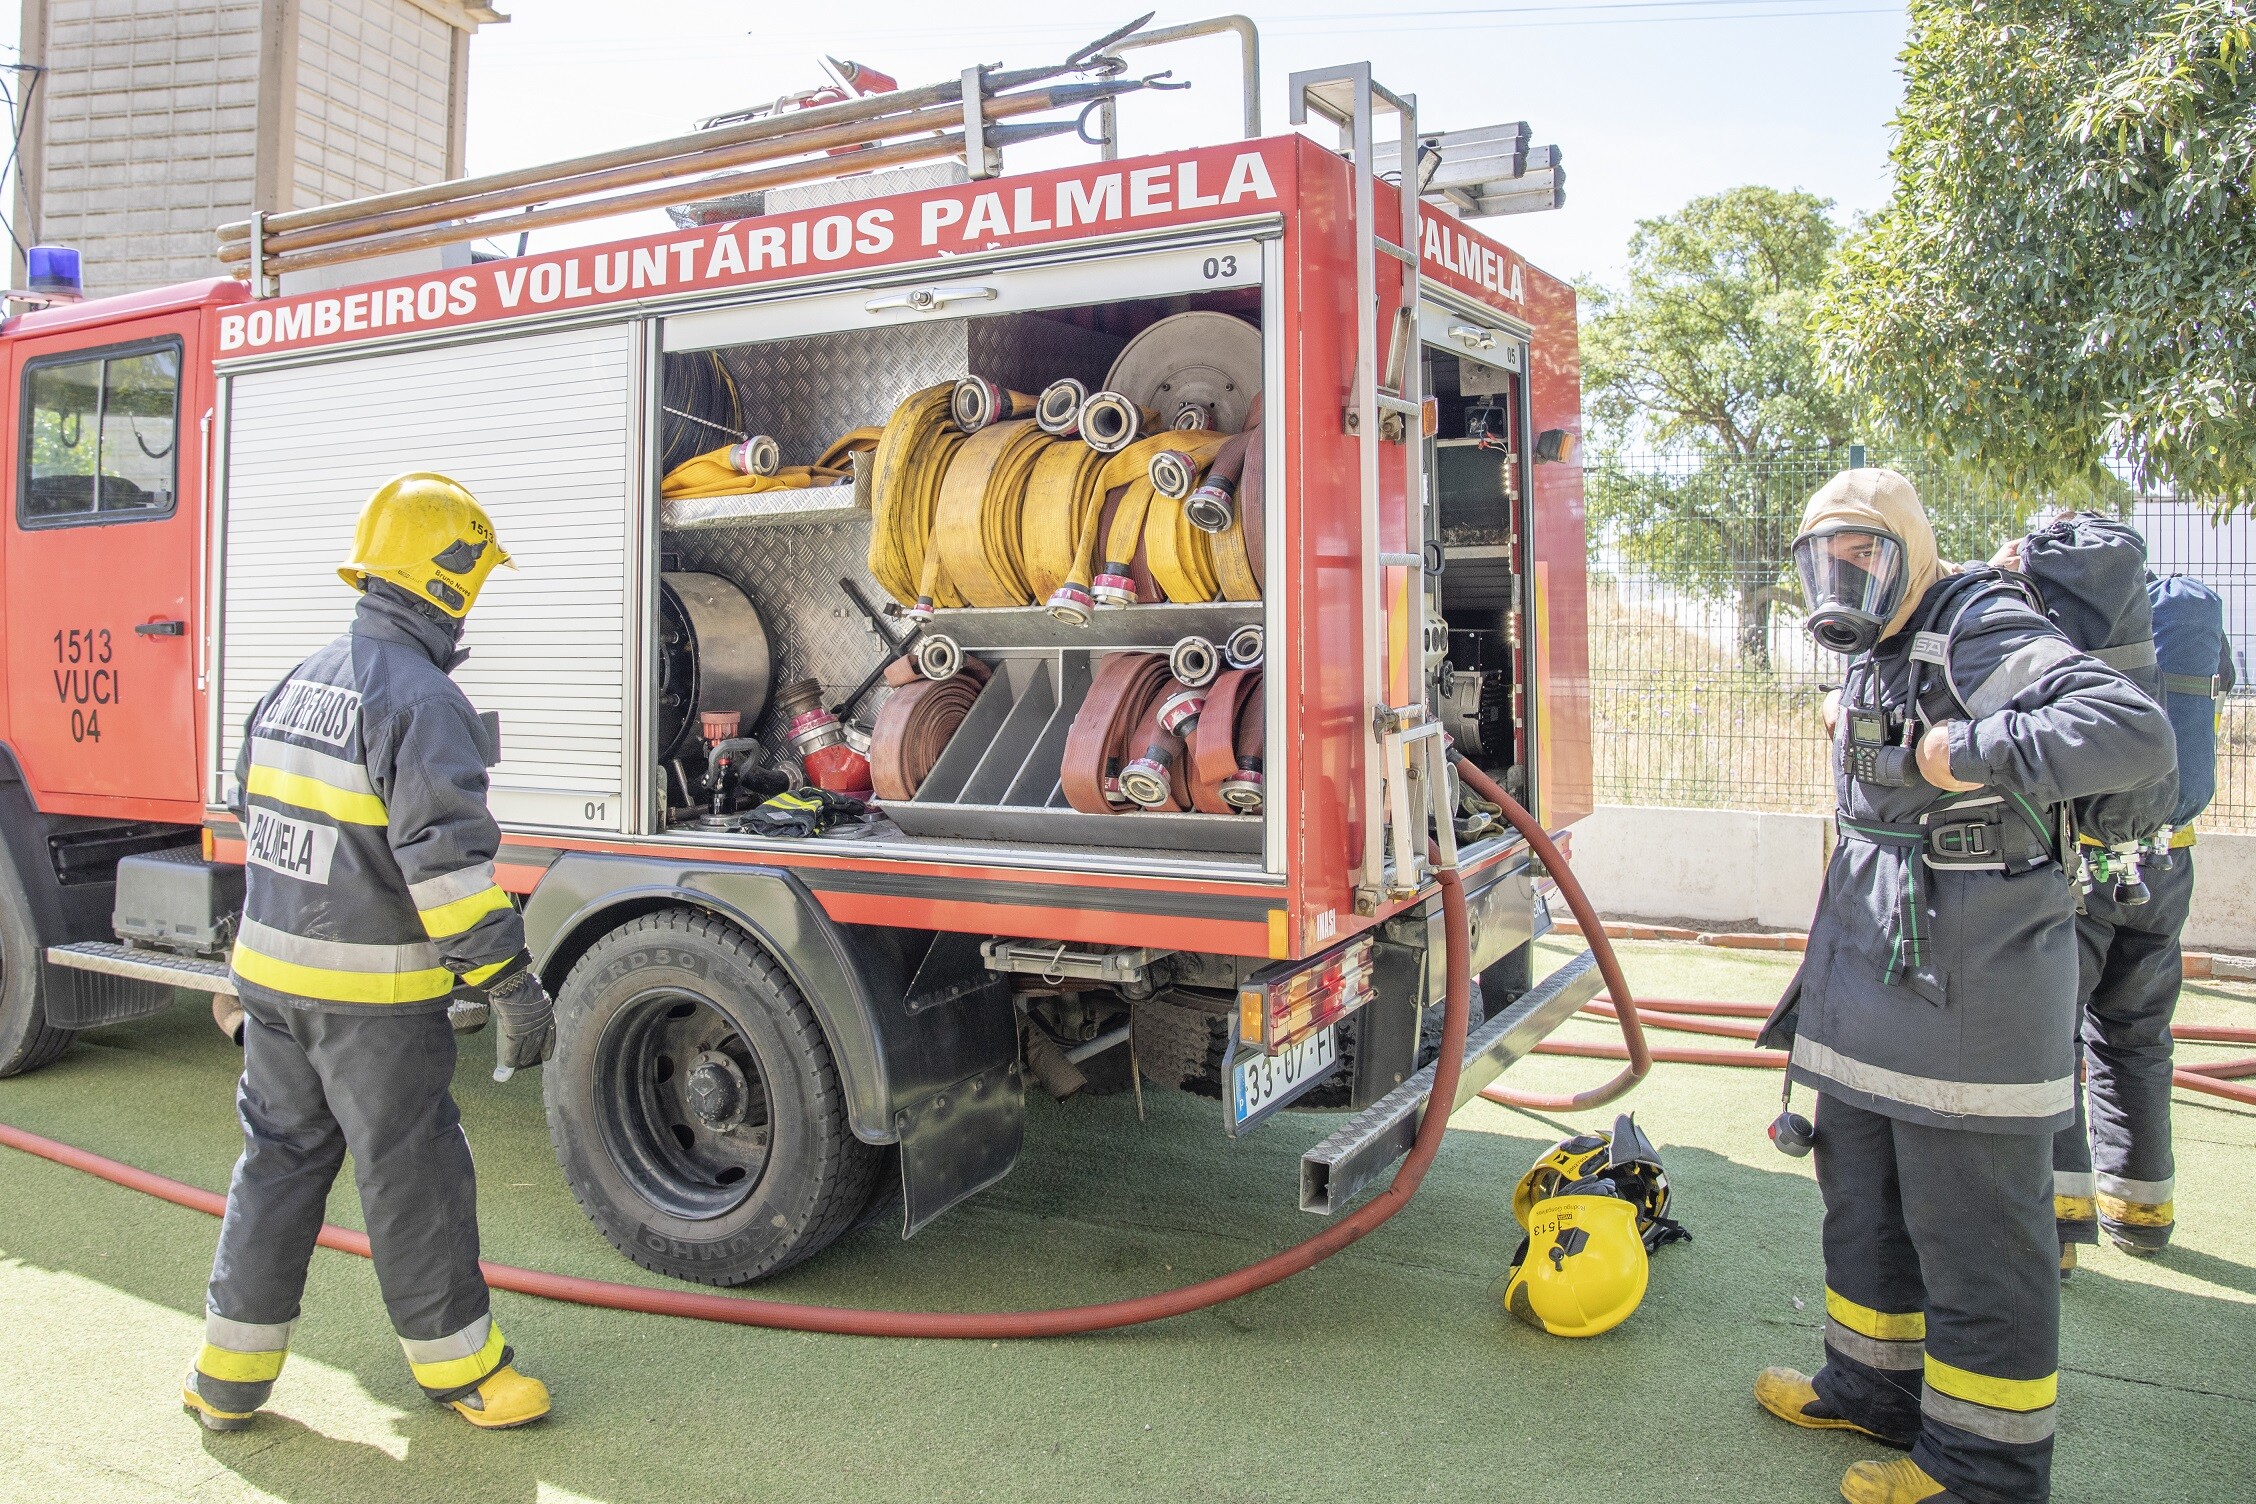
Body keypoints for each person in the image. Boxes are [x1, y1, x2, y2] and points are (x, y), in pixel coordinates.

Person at [1752, 470, 2174, 1504]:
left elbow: (2133, 730)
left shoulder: (1977, 622)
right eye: (1827, 560)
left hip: (1971, 982)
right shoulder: (1882, 647)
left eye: (1863, 556)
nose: (1843, 579)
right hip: (1874, 962)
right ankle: (1871, 1389)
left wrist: (1964, 751)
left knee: (1975, 1229)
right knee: (1864, 1190)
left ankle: (1984, 1467)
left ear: (1908, 549)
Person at [184, 473, 558, 1433]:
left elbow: (254, 819)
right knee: (414, 1174)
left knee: (276, 1166)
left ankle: (227, 1379)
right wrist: (509, 984)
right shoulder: (422, 699)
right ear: (447, 580)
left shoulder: (295, 681)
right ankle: (463, 1371)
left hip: (271, 991)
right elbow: (447, 872)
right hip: (370, 1004)